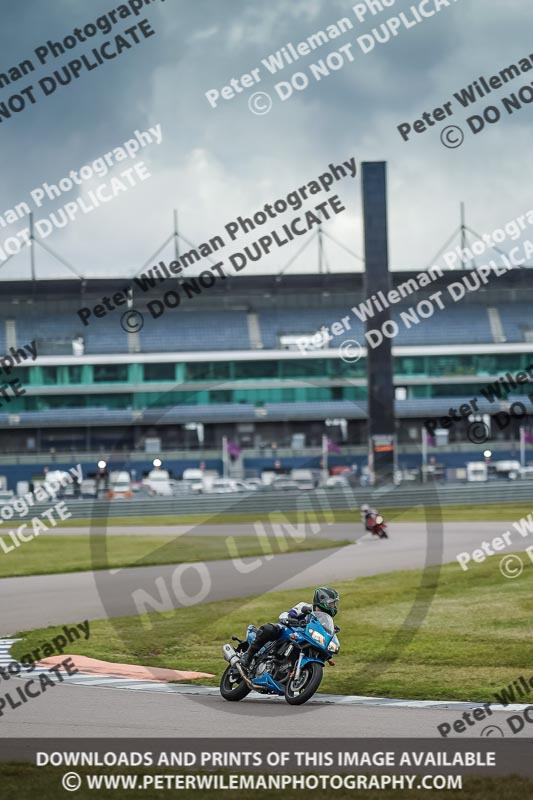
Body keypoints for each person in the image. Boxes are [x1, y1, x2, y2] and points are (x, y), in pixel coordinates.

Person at [240, 587, 339, 671]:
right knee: (270, 629)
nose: (334, 606)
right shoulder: (304, 607)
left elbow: (325, 632)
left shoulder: (325, 620)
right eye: (331, 603)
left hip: (306, 639)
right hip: (291, 631)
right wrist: (291, 620)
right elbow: (287, 614)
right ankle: (248, 654)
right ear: (322, 600)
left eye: (334, 604)